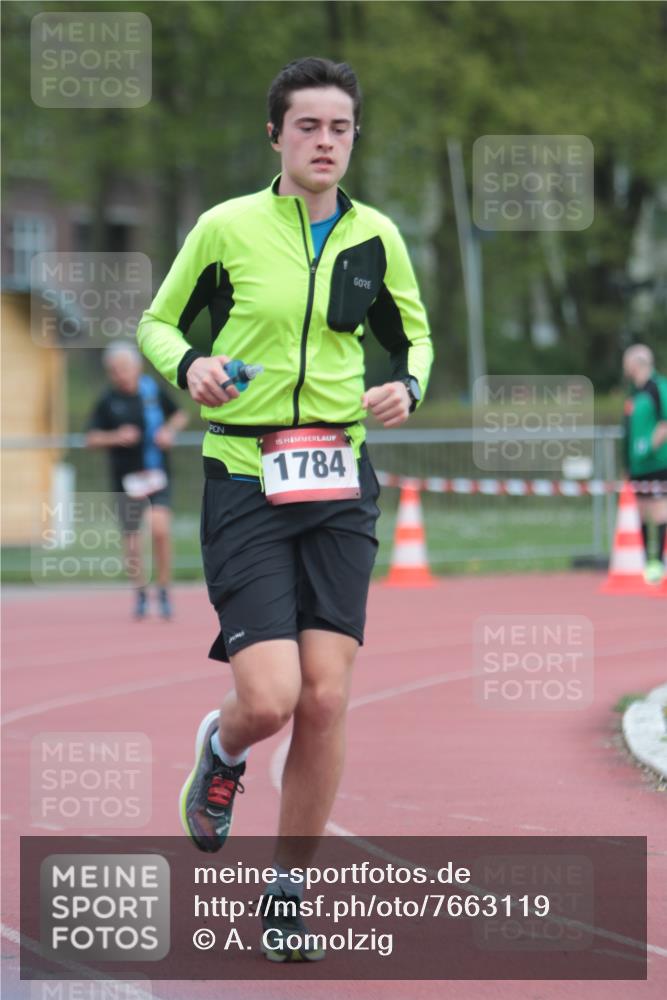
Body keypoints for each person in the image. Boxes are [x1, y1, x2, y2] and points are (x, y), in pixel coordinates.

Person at [136, 56, 433, 960]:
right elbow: (156, 322)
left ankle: (288, 890)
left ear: (353, 138)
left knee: (327, 699)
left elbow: (412, 335)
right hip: (244, 479)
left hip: (339, 483)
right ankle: (222, 752)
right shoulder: (225, 228)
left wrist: (407, 389)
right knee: (267, 701)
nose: (325, 142)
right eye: (307, 126)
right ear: (276, 136)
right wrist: (189, 366)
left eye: (339, 127)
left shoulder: (376, 236)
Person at [86, 342, 188, 618]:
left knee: (160, 530)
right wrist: (115, 436)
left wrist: (168, 431)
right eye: (115, 371)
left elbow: (180, 414)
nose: (121, 375)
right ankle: (141, 592)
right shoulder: (108, 400)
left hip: (156, 475)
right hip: (126, 480)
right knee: (132, 541)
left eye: (125, 368)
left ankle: (164, 589)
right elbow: (91, 438)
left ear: (137, 367)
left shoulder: (152, 392)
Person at [622, 344, 667, 583]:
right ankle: (642, 562)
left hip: (658, 463)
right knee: (640, 512)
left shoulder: (658, 388)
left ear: (637, 363)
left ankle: (658, 562)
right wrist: (627, 462)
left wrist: (650, 447)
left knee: (659, 509)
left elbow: (664, 422)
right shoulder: (633, 394)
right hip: (637, 467)